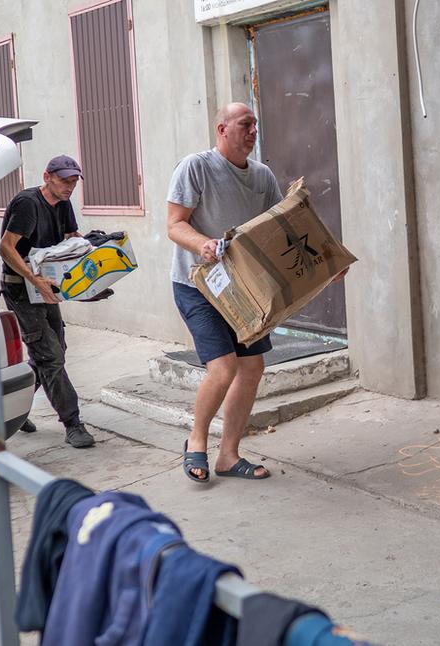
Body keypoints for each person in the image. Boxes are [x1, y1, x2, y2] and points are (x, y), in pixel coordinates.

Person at [166, 103, 282, 483]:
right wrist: (201, 244)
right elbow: (175, 224)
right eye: (245, 124)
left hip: (242, 288)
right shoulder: (195, 167)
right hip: (197, 285)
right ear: (222, 128)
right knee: (224, 367)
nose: (253, 132)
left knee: (252, 367)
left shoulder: (263, 177)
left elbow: (282, 229)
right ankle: (196, 441)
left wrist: (322, 266)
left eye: (255, 125)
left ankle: (228, 456)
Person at [0, 155, 95, 449]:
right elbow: (5, 247)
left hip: (44, 285)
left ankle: (11, 411)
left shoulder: (64, 204)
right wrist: (33, 278)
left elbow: (71, 241)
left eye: (74, 181)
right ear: (47, 176)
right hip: (20, 287)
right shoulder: (28, 203)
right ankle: (72, 423)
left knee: (53, 351)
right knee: (50, 356)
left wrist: (91, 281)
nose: (69, 186)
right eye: (64, 180)